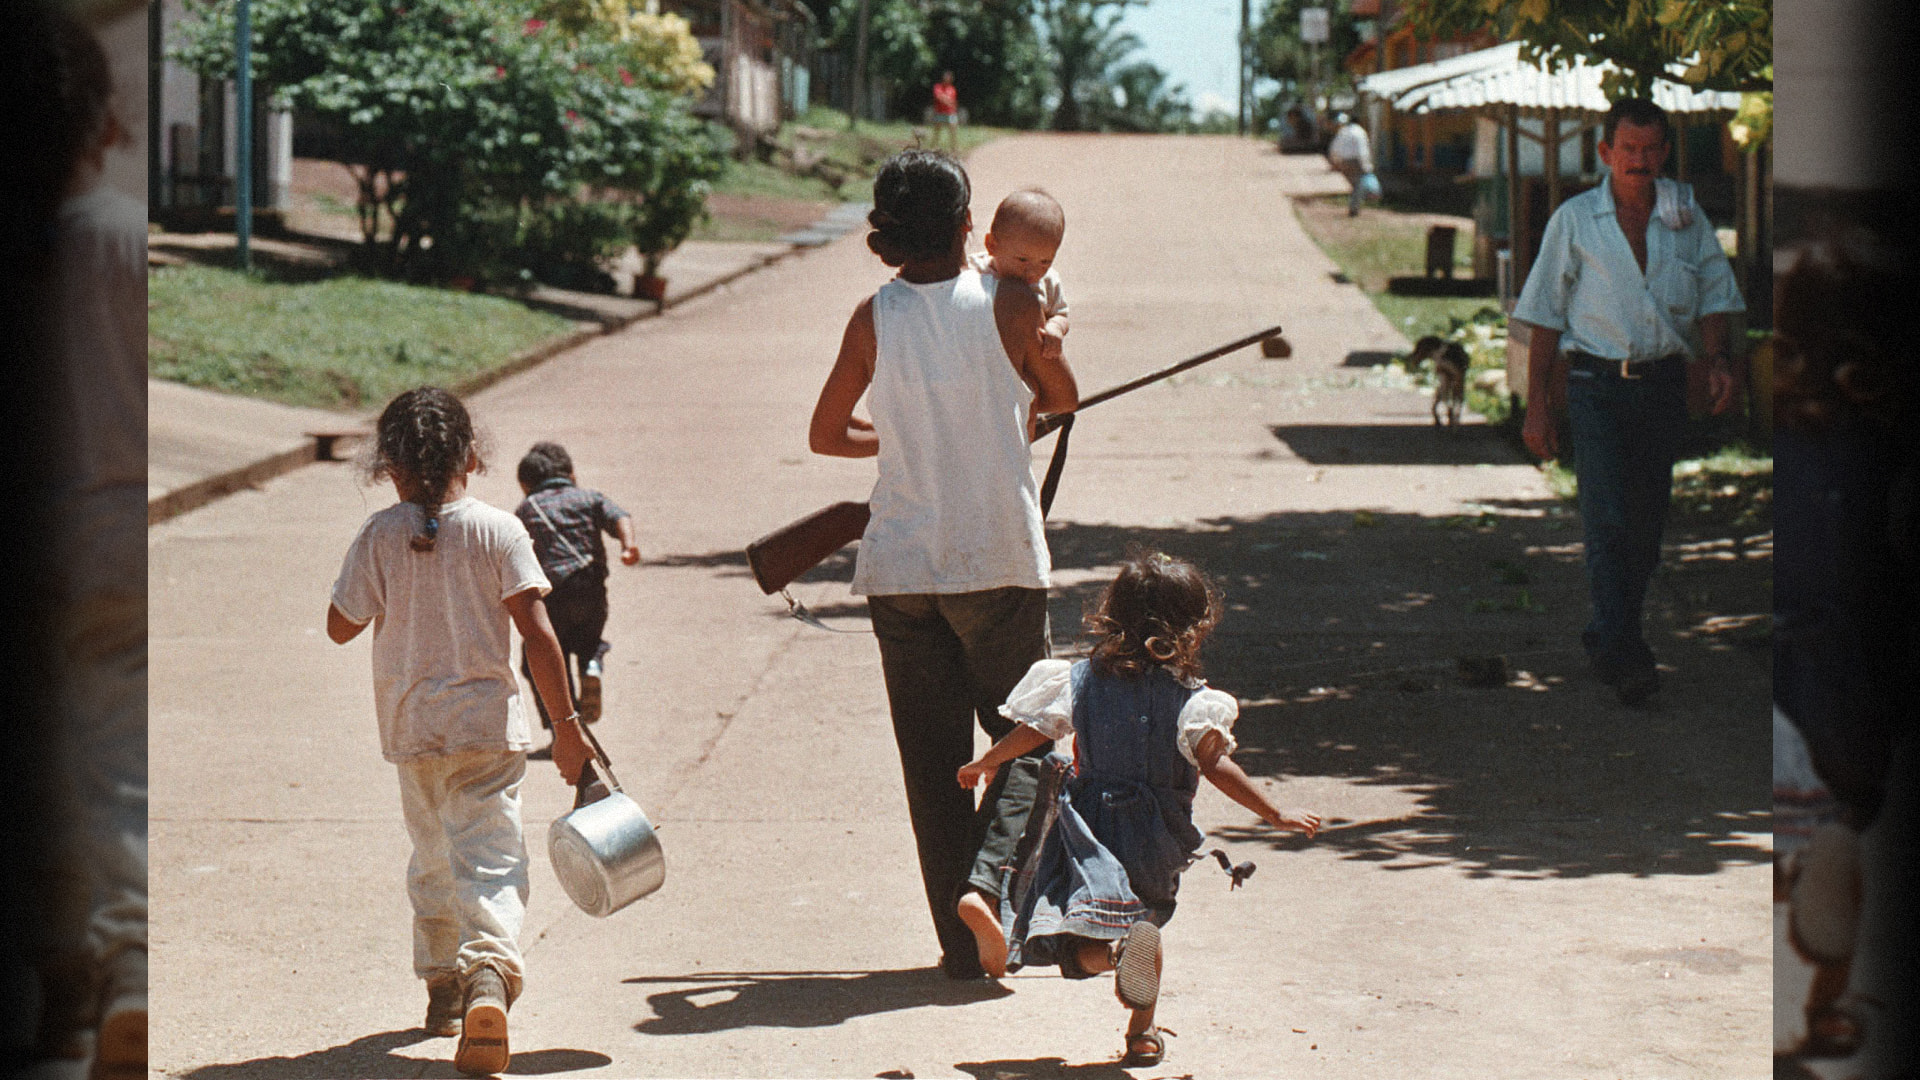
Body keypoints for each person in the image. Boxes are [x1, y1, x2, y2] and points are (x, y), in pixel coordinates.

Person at [808, 149, 1078, 979]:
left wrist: (903, 433)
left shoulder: (871, 318)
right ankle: (990, 889)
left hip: (901, 571)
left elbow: (826, 434)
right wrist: (1044, 350)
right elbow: (1061, 396)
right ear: (969, 227)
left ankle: (962, 946)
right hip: (995, 557)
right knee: (1027, 742)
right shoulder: (1010, 297)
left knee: (933, 767)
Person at [955, 551, 1321, 1067]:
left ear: (1110, 615)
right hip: (1156, 836)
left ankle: (1099, 951)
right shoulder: (1194, 701)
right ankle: (1142, 1032)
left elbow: (1036, 731)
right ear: (1196, 628)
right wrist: (1275, 812)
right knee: (1144, 921)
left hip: (1085, 830)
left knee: (1073, 935)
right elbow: (1217, 766)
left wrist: (987, 760)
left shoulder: (1078, 681)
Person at [328, 387, 589, 1076]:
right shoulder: (500, 530)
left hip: (414, 730)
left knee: (433, 856)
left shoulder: (380, 534)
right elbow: (539, 636)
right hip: (488, 730)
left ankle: (444, 985)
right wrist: (567, 726)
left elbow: (340, 625)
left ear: (388, 466)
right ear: (472, 456)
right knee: (492, 857)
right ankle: (489, 979)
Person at [10, 8, 151, 1077]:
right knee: (116, 763)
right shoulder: (117, 234)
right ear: (100, 121)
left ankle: (58, 983)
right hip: (115, 535)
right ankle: (131, 972)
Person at [1513, 97, 1745, 706]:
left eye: (1650, 150)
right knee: (1607, 516)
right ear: (1605, 154)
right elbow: (1542, 315)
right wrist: (1537, 406)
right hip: (1595, 385)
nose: (1639, 162)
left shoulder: (1686, 219)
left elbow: (1717, 297)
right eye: (1628, 150)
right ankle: (1626, 650)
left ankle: (1610, 633)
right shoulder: (1574, 221)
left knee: (1644, 524)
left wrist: (1719, 363)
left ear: (1665, 153)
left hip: (1663, 384)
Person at [513, 441, 640, 736]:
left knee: (543, 657)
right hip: (591, 587)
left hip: (552, 595)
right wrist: (628, 546)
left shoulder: (526, 510)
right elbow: (620, 515)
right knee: (589, 639)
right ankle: (592, 665)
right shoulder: (587, 497)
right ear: (570, 473)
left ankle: (565, 728)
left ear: (525, 483)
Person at [967, 188, 1070, 367]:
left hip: (1028, 365)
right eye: (1023, 260)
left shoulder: (1049, 282)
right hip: (981, 362)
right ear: (992, 245)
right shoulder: (974, 272)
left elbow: (1060, 313)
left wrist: (1056, 328)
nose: (1033, 272)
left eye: (1045, 262)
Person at [1326, 113, 1376, 216]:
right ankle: (1354, 208)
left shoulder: (1343, 131)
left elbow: (1334, 148)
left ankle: (1353, 206)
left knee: (1354, 185)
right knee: (1358, 185)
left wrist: (1334, 162)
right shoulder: (1360, 132)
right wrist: (1366, 164)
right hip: (1356, 162)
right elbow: (1362, 150)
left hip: (1343, 162)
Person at [930, 70, 960, 152]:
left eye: (949, 77)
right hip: (940, 112)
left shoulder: (952, 89)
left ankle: (954, 149)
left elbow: (953, 101)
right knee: (937, 132)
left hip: (950, 113)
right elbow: (938, 97)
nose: (947, 78)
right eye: (946, 77)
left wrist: (945, 99)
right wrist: (947, 100)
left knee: (953, 132)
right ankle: (933, 148)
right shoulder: (938, 86)